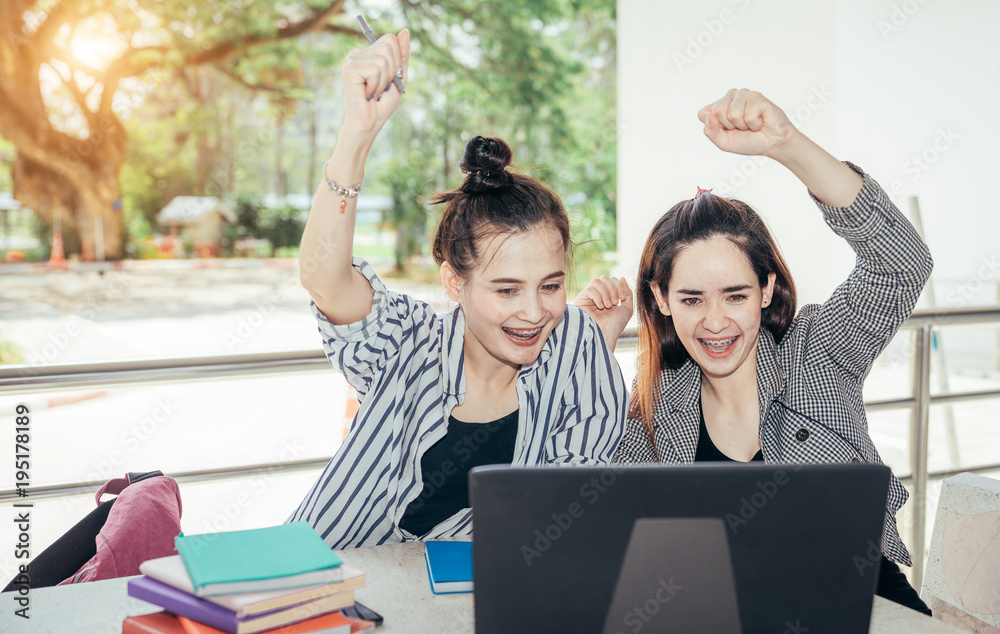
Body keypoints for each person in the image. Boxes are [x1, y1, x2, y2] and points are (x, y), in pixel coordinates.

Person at [581, 89, 933, 614]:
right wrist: (596, 344)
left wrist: (787, 144)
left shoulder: (817, 350)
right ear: (661, 299)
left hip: (866, 604)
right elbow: (594, 507)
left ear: (766, 290)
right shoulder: (658, 397)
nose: (716, 322)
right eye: (692, 298)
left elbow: (902, 264)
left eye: (737, 295)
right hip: (738, 610)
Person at [288, 30, 628, 549]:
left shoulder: (578, 347)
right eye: (507, 290)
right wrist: (357, 133)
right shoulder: (407, 340)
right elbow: (321, 275)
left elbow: (572, 510)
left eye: (552, 285)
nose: (534, 312)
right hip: (331, 588)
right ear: (454, 281)